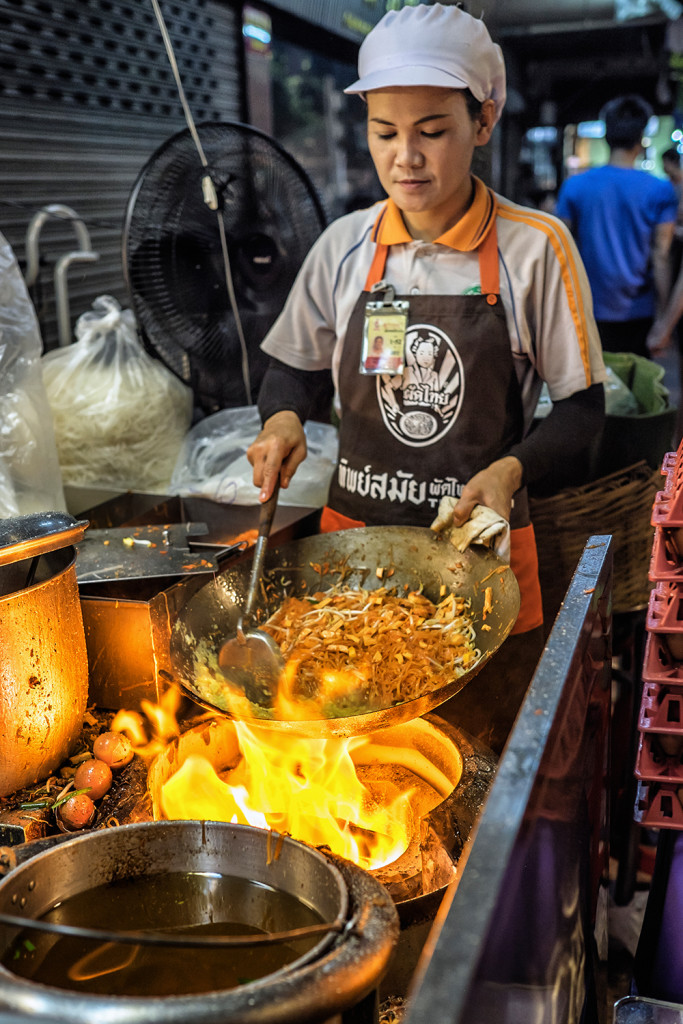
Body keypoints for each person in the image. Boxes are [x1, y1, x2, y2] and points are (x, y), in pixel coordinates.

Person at [246, 3, 607, 752]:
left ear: (483, 121)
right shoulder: (345, 246)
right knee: (351, 768)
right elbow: (293, 369)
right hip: (351, 568)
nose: (404, 156)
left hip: (476, 574)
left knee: (477, 766)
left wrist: (509, 472)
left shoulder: (534, 249)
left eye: (431, 131)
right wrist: (281, 418)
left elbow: (583, 413)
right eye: (384, 133)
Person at [555, 95, 679, 358]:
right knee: (635, 391)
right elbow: (661, 256)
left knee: (592, 391)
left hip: (587, 308)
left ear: (606, 136)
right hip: (638, 312)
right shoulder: (659, 190)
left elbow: (561, 248)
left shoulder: (575, 186)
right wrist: (663, 317)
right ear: (641, 138)